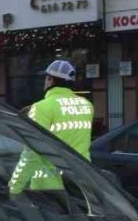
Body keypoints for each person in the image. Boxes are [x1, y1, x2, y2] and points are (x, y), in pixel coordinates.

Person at [9, 59, 94, 194]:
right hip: (82, 183)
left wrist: (14, 186)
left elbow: (32, 153)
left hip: (51, 188)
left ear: (50, 80)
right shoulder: (87, 105)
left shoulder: (42, 108)